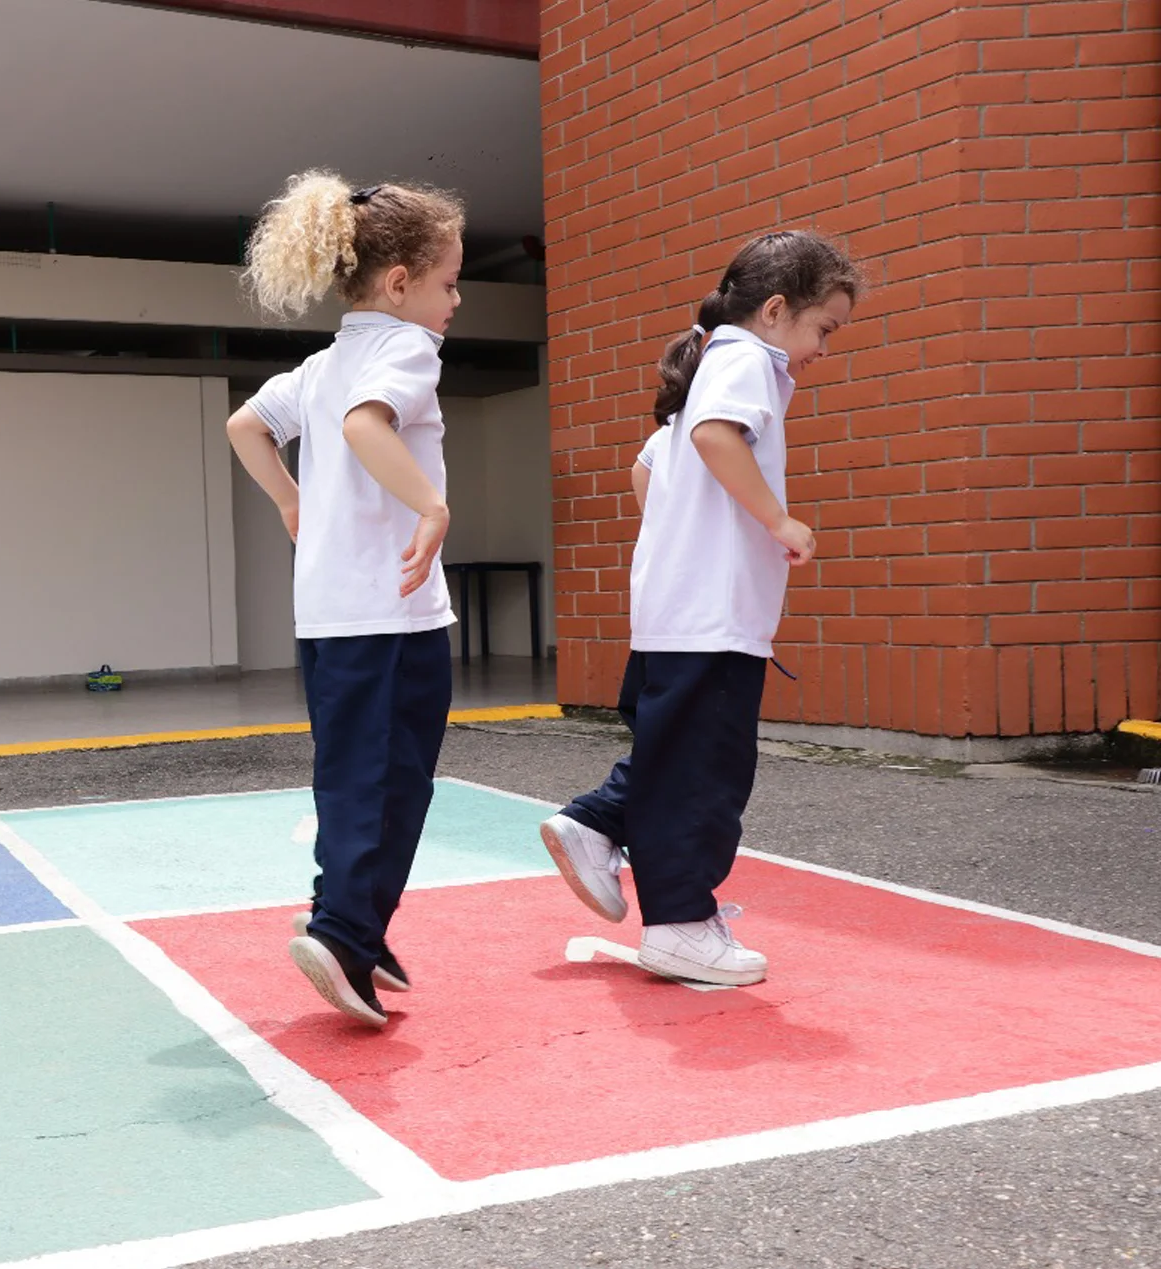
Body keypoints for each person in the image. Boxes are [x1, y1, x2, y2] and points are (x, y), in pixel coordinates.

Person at [538, 231, 859, 986]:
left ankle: (595, 822)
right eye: (824, 329)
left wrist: (691, 536)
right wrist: (775, 521)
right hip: (712, 619)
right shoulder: (747, 360)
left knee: (676, 753)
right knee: (706, 775)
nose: (821, 348)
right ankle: (680, 924)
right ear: (776, 310)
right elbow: (718, 437)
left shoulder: (704, 371)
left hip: (674, 612)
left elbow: (646, 471)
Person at [227, 171, 465, 1025]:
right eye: (447, 282)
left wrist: (292, 500)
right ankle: (344, 929)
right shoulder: (404, 350)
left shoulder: (325, 364)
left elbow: (244, 426)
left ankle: (353, 922)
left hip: (330, 619)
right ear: (400, 284)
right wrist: (432, 506)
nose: (457, 299)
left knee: (354, 776)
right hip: (393, 615)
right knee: (396, 781)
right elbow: (370, 427)